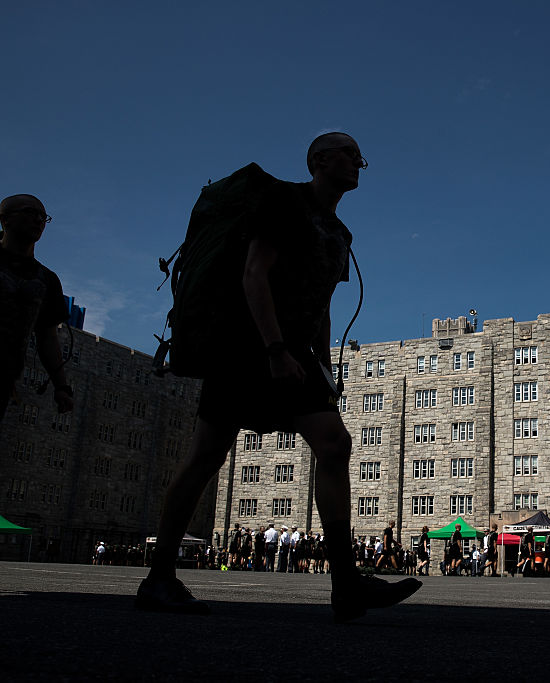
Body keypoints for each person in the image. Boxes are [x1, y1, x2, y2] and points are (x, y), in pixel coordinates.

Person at [135, 132, 421, 619]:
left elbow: (323, 302)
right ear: (317, 160)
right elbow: (254, 273)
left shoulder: (339, 233)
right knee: (206, 455)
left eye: (360, 156)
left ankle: (346, 584)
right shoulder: (282, 202)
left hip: (299, 355)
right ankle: (159, 576)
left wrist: (326, 366)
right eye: (348, 154)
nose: (358, 163)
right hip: (248, 347)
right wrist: (272, 348)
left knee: (334, 444)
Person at [0, 194, 74, 423]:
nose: (39, 220)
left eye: (43, 216)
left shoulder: (47, 281)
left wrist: (62, 386)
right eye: (30, 212)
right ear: (5, 220)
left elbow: (47, 338)